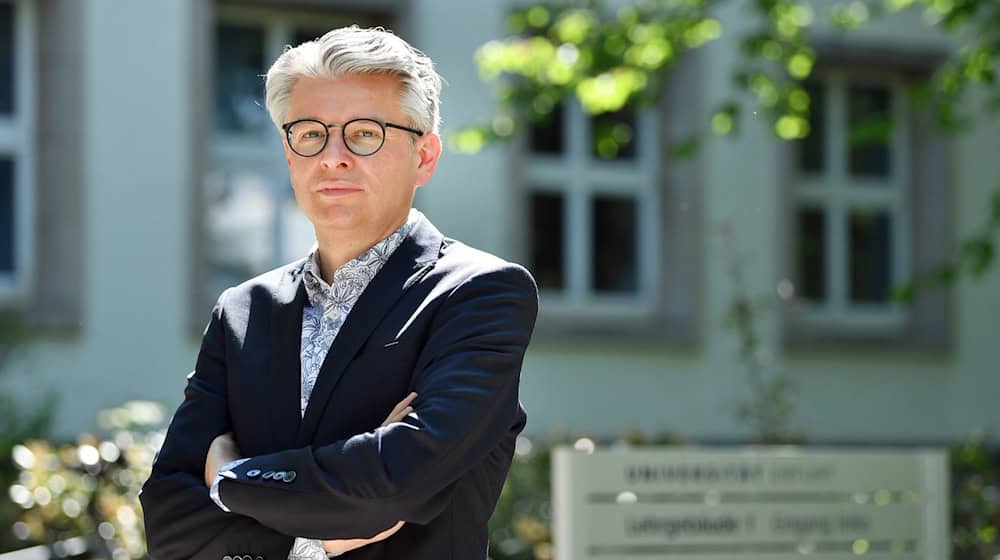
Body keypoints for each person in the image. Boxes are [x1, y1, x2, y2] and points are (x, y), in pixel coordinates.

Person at [139, 25, 538, 560]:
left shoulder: (479, 295)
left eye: (365, 133)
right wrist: (320, 536)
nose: (333, 157)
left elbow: (397, 482)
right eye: (310, 133)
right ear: (289, 153)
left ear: (425, 156)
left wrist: (231, 480)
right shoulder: (243, 312)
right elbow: (169, 523)